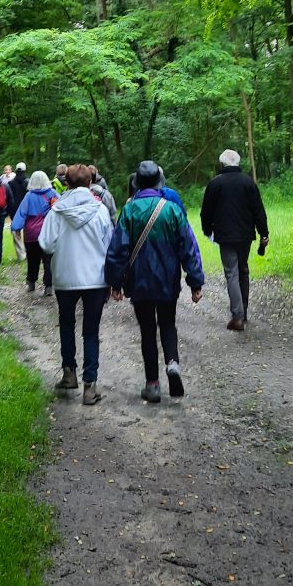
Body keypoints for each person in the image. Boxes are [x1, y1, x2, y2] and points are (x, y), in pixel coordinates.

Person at [106, 159, 204, 403]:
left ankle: (152, 385)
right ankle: (172, 364)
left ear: (137, 183)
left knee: (148, 331)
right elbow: (188, 247)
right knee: (168, 324)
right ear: (159, 182)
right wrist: (195, 282)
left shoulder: (129, 210)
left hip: (139, 282)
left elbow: (118, 249)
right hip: (167, 281)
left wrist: (115, 283)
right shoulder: (172, 209)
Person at [39, 164, 113, 405]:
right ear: (91, 182)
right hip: (95, 279)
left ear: (67, 183)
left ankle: (69, 374)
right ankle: (90, 386)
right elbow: (110, 244)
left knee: (67, 324)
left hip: (65, 277)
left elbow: (46, 245)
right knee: (91, 331)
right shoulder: (100, 210)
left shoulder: (56, 211)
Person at [199, 148, 269, 332]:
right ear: (238, 163)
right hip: (246, 234)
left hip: (225, 235)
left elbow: (206, 211)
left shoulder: (215, 184)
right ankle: (243, 312)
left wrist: (207, 231)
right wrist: (264, 233)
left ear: (222, 164)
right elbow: (258, 211)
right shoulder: (248, 182)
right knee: (243, 269)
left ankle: (237, 316)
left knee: (232, 272)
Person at [11, 169, 58, 294]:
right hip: (48, 231)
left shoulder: (29, 196)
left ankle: (31, 282)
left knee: (32, 259)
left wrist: (16, 228)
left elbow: (22, 212)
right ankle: (49, 285)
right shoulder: (52, 194)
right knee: (48, 260)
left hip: (31, 233)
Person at [9, 162, 30, 263]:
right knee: (27, 230)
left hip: (14, 210)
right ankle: (28, 251)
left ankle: (21, 254)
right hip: (26, 209)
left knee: (16, 231)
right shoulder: (28, 182)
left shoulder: (11, 183)